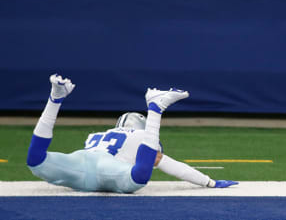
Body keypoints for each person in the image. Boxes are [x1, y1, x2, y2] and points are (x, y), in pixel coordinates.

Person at [26, 74, 238, 193]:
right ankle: (155, 110)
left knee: (35, 162)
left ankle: (54, 100)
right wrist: (208, 181)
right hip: (105, 170)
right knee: (138, 179)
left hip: (80, 162)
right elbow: (165, 163)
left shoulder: (97, 135)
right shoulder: (140, 137)